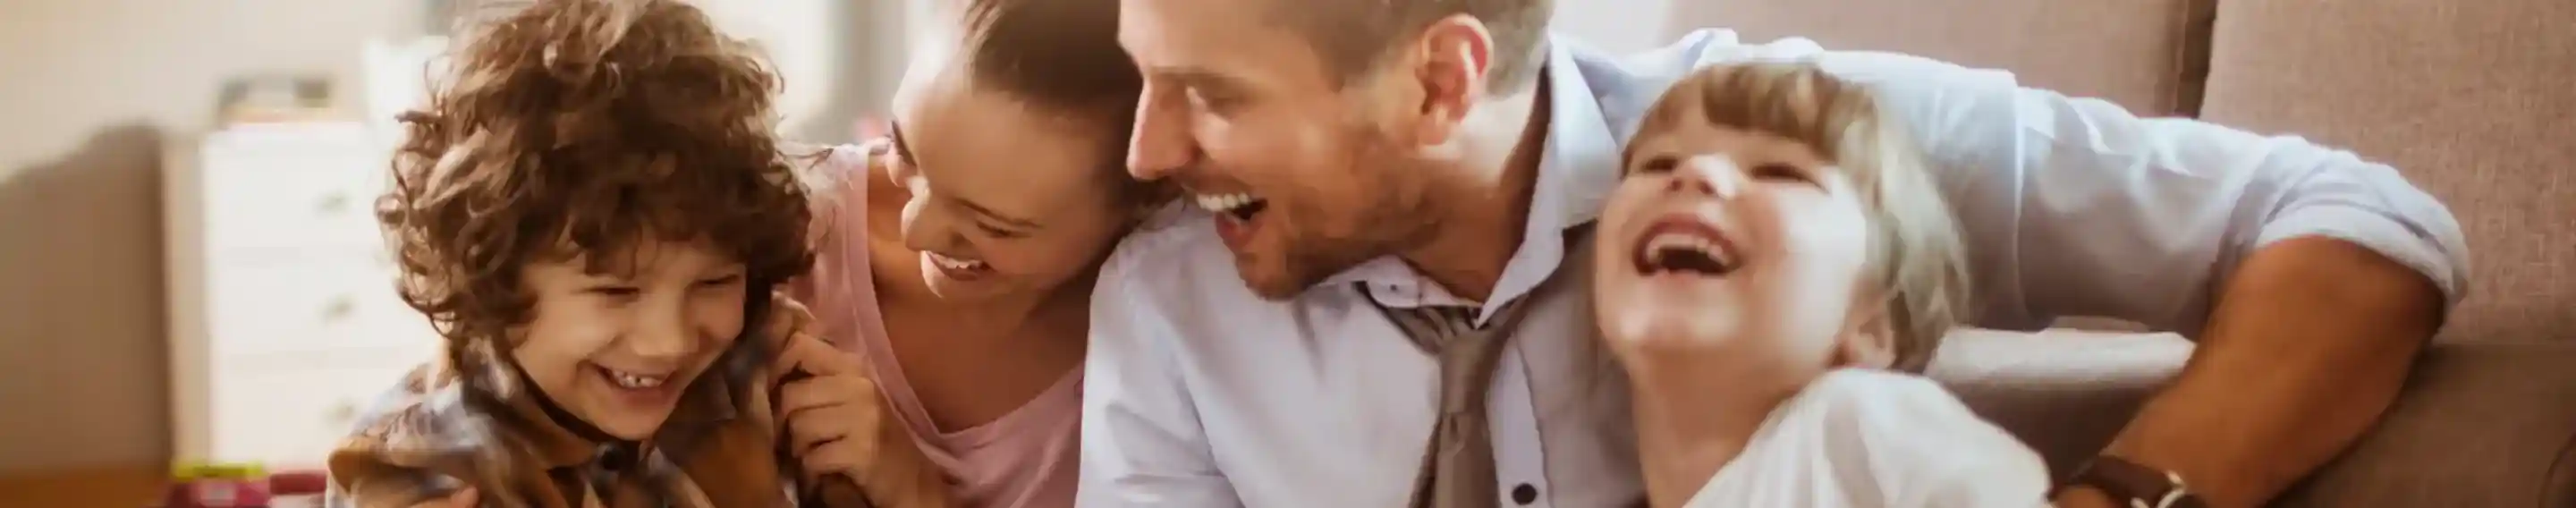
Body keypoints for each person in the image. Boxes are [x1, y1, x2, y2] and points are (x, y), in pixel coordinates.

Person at [1082, 0, 2466, 506]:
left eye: (1212, 92)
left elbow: (2353, 221)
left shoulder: (1784, 151)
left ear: (1441, 82)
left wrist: (2126, 498)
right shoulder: (1169, 302)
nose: (1145, 154)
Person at [323, 1, 937, 506]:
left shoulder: (772, 371)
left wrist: (905, 486)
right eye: (615, 291)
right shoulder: (420, 467)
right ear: (495, 280)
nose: (667, 340)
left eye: (714, 283)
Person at [1595, 60, 2046, 507]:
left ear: (1873, 323)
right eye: (1657, 163)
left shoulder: (1858, 427)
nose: (1696, 171)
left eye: (1778, 172)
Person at [777, 0, 1157, 506]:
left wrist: (914, 493)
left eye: (992, 225)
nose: (915, 231)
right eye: (903, 150)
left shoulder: (1165, 349)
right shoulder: (778, 225)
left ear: (1145, 202)